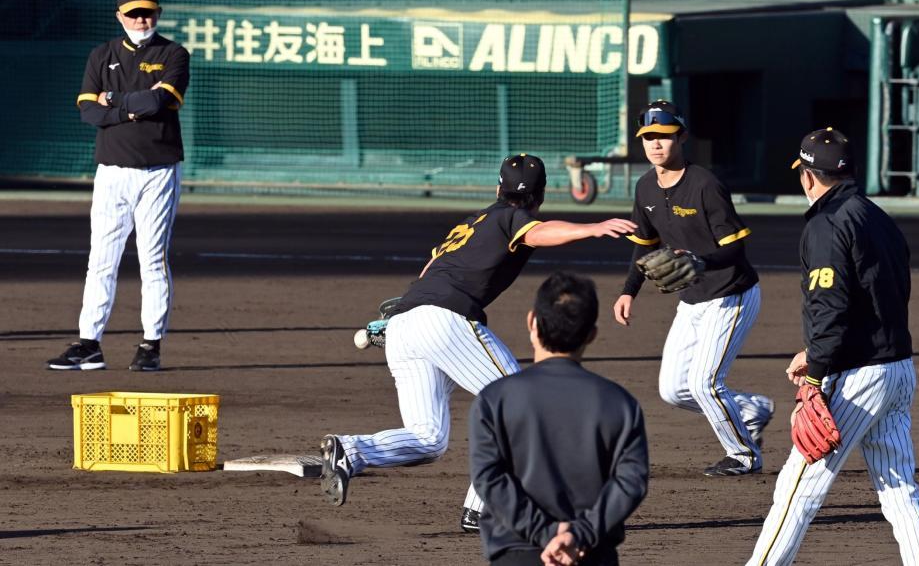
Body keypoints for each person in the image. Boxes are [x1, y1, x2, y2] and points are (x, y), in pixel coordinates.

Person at [317, 154, 637, 532]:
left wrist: (402, 317)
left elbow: (428, 271)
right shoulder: (511, 217)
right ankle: (484, 508)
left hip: (403, 325)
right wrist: (593, 227)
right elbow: (538, 232)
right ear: (541, 195)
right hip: (444, 322)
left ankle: (350, 451)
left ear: (498, 188)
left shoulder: (471, 223)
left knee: (428, 437)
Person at [746, 128, 919, 565]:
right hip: (897, 368)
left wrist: (815, 374)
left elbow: (830, 307)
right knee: (898, 489)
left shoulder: (827, 223)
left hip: (858, 376)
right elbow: (876, 297)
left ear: (808, 176)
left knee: (797, 490)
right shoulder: (877, 217)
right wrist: (814, 352)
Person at [613, 100, 774, 476]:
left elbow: (735, 248)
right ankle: (751, 410)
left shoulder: (705, 184)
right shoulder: (645, 188)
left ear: (681, 137)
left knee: (705, 384)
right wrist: (628, 291)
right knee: (673, 390)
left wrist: (702, 261)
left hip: (731, 294)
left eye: (664, 136)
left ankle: (744, 455)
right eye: (649, 137)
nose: (656, 143)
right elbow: (645, 245)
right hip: (692, 299)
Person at [46, 0, 190, 372]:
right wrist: (131, 108)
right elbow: (88, 111)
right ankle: (89, 344)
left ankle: (150, 345)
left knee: (152, 260)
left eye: (147, 12)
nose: (141, 19)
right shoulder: (102, 54)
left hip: (158, 171)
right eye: (134, 13)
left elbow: (159, 100)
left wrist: (114, 100)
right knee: (101, 260)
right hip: (112, 171)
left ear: (157, 13)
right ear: (120, 16)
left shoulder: (174, 53)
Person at [470, 271, 649, 566]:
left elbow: (489, 478)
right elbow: (631, 482)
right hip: (591, 554)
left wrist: (545, 532)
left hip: (516, 552)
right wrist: (580, 533)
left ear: (532, 322)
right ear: (591, 334)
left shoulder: (495, 399)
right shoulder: (619, 402)